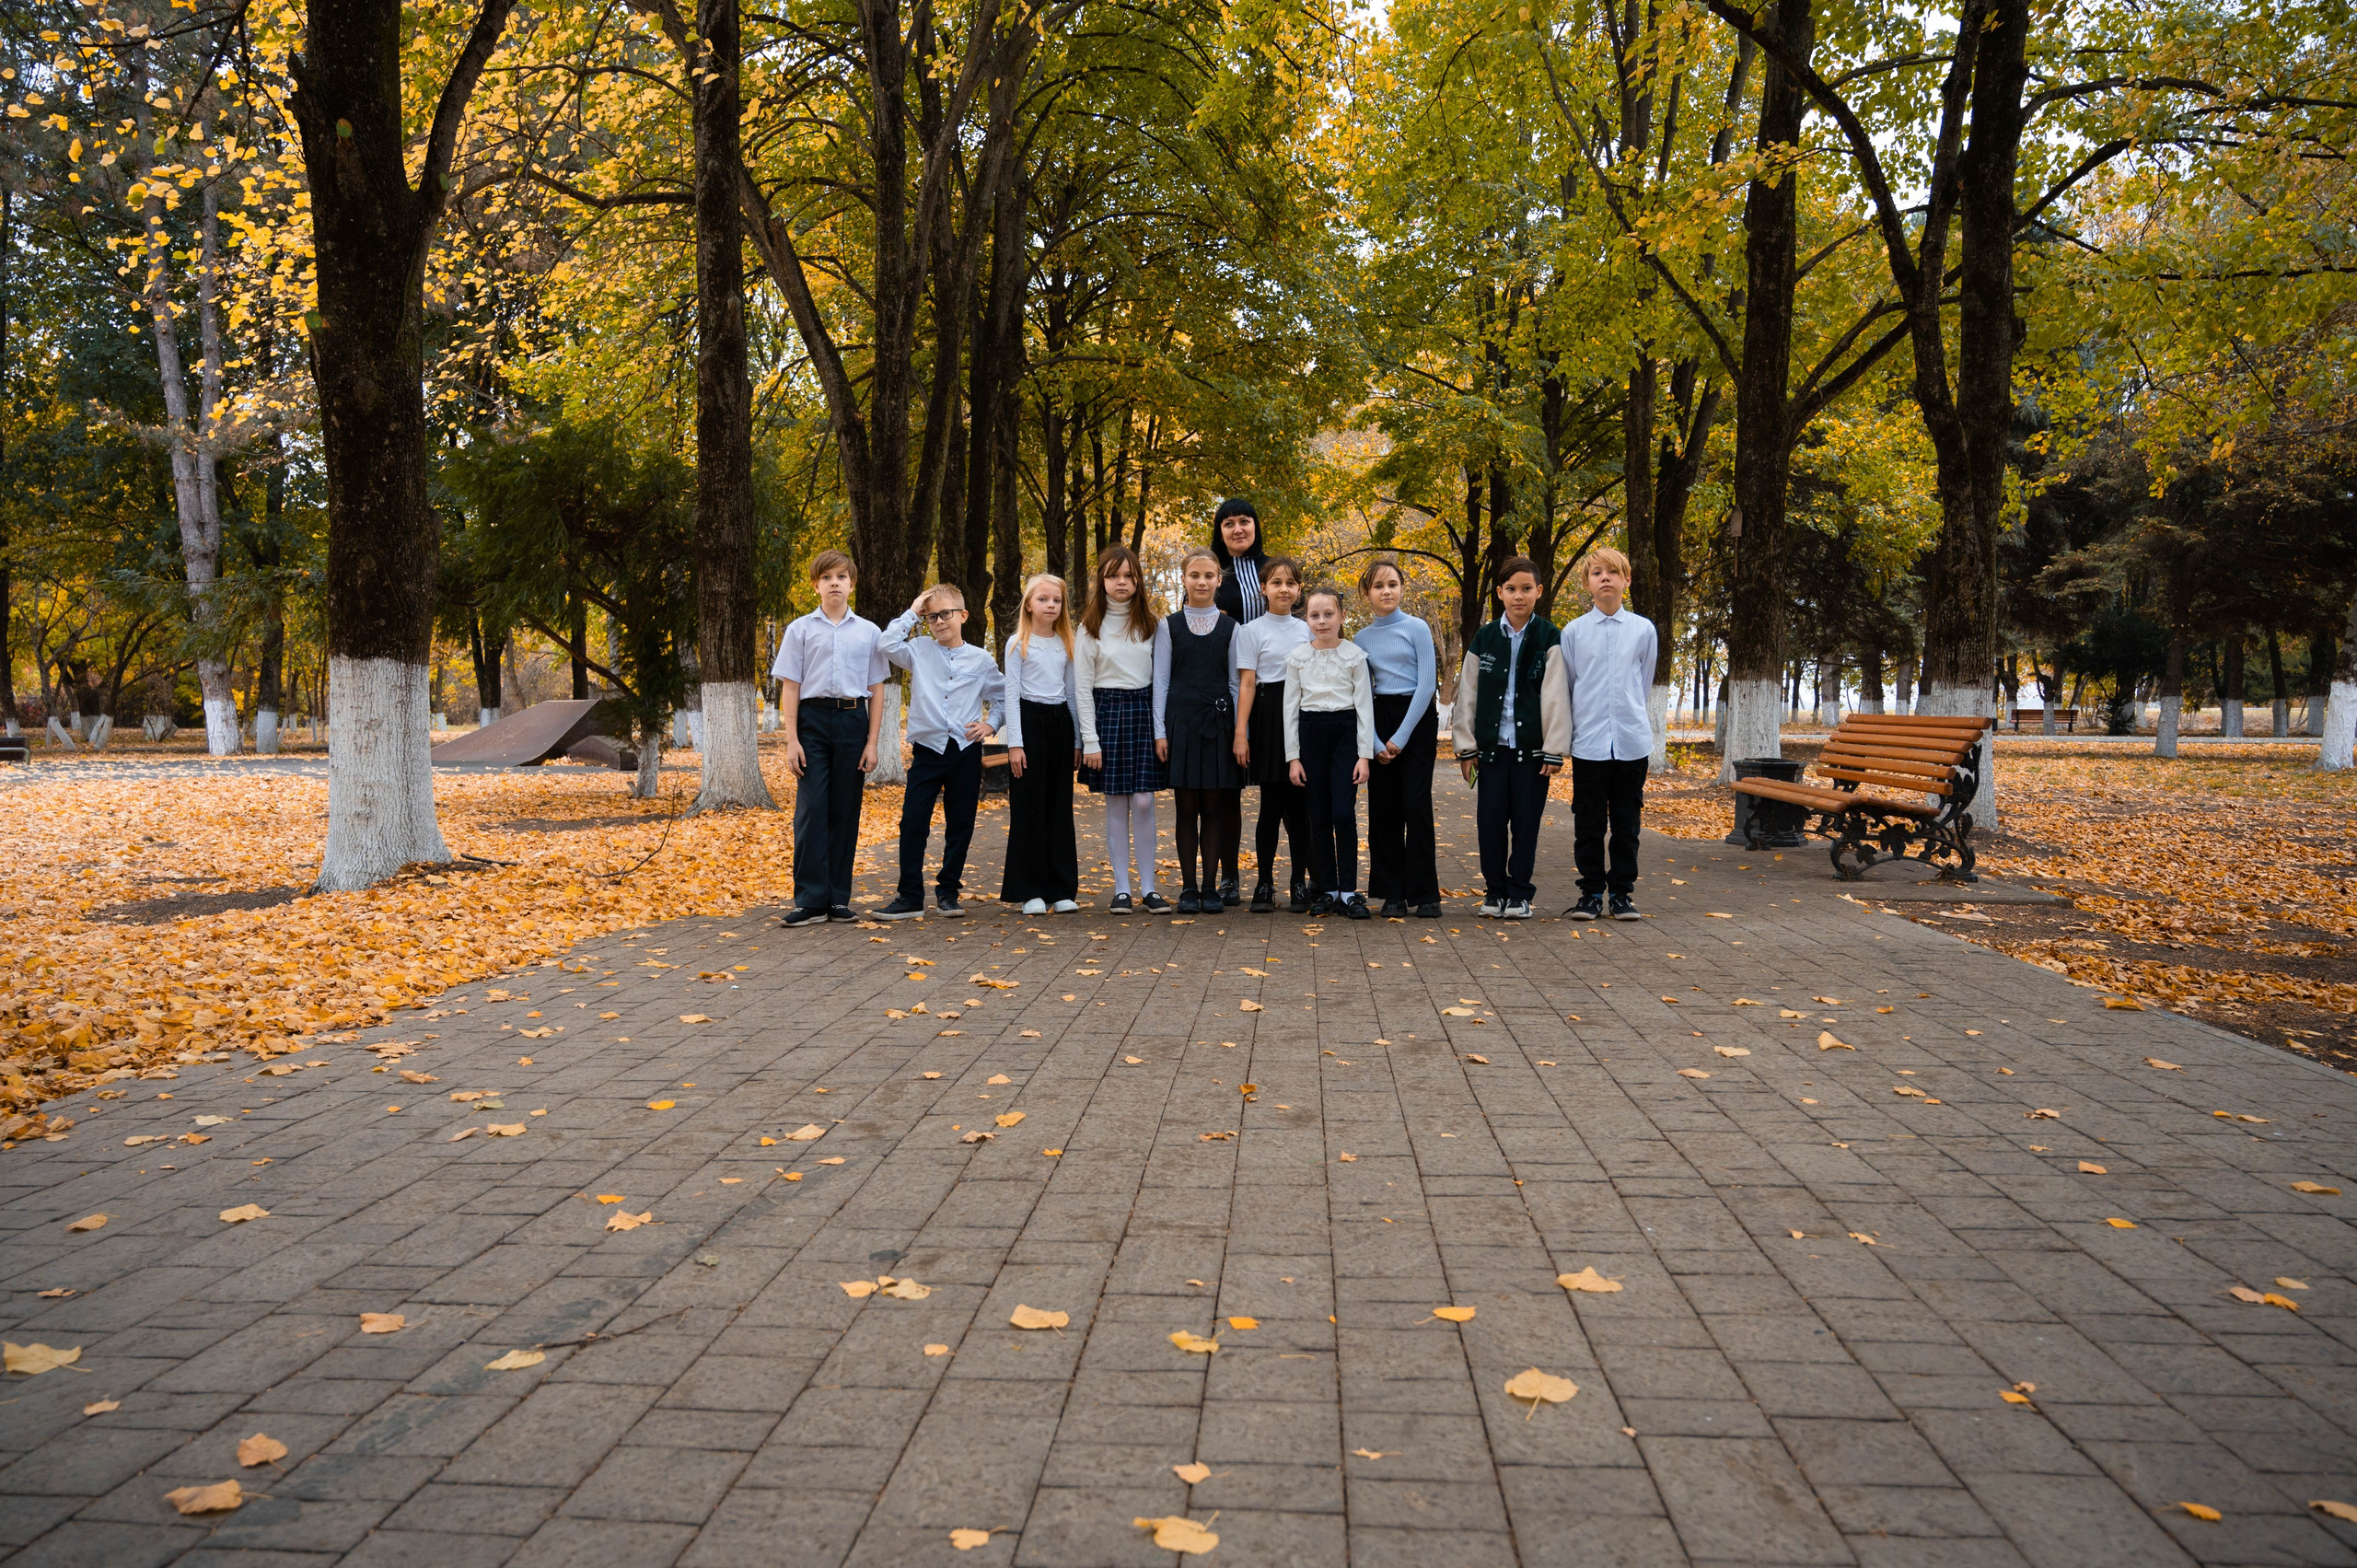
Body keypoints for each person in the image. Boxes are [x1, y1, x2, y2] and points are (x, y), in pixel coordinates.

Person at [1449, 555, 1570, 921]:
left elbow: (1556, 696)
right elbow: (1467, 694)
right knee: (1489, 822)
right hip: (1490, 752)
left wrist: (1553, 750)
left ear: (1539, 592)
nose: (1519, 596)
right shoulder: (1485, 637)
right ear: (1499, 593)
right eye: (1512, 589)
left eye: (1527, 589)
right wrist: (1465, 747)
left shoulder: (1549, 637)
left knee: (1526, 823)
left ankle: (1520, 893)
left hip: (1532, 754)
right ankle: (1494, 890)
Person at [774, 550, 888, 926]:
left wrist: (872, 742)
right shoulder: (800, 629)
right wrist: (792, 740)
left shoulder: (869, 632)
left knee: (844, 811)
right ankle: (809, 900)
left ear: (852, 584)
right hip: (812, 722)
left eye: (841, 576)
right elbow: (791, 686)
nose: (835, 583)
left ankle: (838, 898)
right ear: (816, 585)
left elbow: (877, 688)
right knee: (810, 811)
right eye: (827, 577)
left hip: (853, 722)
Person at [876, 585, 1004, 921]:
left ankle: (948, 892)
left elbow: (1004, 696)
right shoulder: (917, 650)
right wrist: (913, 609)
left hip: (964, 751)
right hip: (928, 752)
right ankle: (909, 896)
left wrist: (991, 725)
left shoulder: (981, 659)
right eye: (932, 616)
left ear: (963, 615)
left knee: (960, 823)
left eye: (946, 614)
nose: (939, 621)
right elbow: (886, 644)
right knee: (913, 822)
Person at [1562, 547, 1658, 921]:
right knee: (1588, 822)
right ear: (1588, 583)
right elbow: (1571, 684)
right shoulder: (1574, 632)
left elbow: (1644, 681)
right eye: (1597, 573)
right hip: (1589, 743)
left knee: (1626, 823)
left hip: (1631, 742)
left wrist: (1627, 715)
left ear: (1626, 580)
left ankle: (1621, 894)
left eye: (1612, 573)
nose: (1605, 578)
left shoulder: (1642, 630)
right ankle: (1589, 894)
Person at [1077, 545, 1169, 913]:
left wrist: (1160, 730)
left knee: (1144, 801)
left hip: (1143, 713)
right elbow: (1081, 689)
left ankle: (1149, 888)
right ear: (1102, 580)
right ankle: (1122, 889)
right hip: (1107, 715)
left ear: (1138, 581)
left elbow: (1160, 682)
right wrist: (1090, 741)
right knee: (1116, 803)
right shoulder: (1089, 627)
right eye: (1114, 575)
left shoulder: (1151, 623)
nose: (1122, 582)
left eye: (1129, 576)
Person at [1155, 548, 1243, 912]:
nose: (1202, 582)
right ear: (1184, 579)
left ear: (1218, 581)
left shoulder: (1232, 627)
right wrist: (1160, 731)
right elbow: (1160, 681)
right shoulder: (1168, 625)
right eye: (1195, 575)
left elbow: (1236, 684)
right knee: (1185, 806)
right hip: (1181, 723)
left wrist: (1241, 732)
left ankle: (1211, 888)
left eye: (1209, 576)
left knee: (1214, 807)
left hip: (1218, 725)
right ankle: (1188, 888)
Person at [1353, 553, 1441, 918]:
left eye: (1392, 584)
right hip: (1380, 717)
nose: (1386, 591)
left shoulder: (1417, 628)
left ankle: (1425, 893)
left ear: (1402, 588)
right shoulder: (1361, 637)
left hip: (1416, 719)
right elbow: (1360, 692)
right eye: (1378, 586)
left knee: (1415, 805)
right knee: (1384, 808)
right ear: (1367, 594)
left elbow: (1426, 685)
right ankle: (1392, 892)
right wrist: (1375, 742)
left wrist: (1401, 737)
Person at [1283, 584, 1376, 919]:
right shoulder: (1297, 658)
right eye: (1314, 615)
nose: (1321, 621)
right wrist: (1293, 757)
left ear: (1342, 616)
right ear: (1306, 618)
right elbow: (1290, 711)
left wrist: (1364, 755)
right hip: (1311, 735)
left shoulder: (1354, 656)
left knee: (1342, 813)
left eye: (1328, 614)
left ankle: (1350, 891)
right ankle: (1327, 889)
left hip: (1345, 735)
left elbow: (1365, 708)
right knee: (1318, 816)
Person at [1232, 556, 1313, 912]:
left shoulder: (1308, 628)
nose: (1284, 588)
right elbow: (1247, 684)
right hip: (1267, 714)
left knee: (1299, 808)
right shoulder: (1251, 631)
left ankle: (1299, 882)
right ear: (1263, 588)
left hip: (1302, 712)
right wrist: (1241, 733)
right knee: (1270, 806)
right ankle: (1264, 883)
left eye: (1291, 583)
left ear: (1299, 590)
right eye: (1276, 582)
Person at [1001, 575, 1084, 915]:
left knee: (1059, 807)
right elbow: (1010, 695)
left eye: (1057, 600)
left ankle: (1061, 888)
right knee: (1030, 809)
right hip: (1029, 724)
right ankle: (1031, 889)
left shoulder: (1067, 642)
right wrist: (1015, 745)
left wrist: (1077, 738)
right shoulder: (1018, 642)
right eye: (1043, 599)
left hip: (1059, 724)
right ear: (1029, 604)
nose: (1051, 605)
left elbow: (1072, 693)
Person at [1207, 497, 1267, 900]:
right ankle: (1229, 876)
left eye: (1245, 521)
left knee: (1285, 789)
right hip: (1228, 691)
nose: (1238, 529)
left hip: (1274, 689)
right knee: (1227, 789)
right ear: (1220, 530)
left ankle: (1299, 876)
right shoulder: (1211, 572)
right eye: (1229, 523)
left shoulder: (1272, 569)